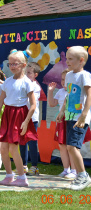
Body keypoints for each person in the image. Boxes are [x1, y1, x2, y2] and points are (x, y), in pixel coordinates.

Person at [0, 49, 38, 187]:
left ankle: (22, 177)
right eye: (10, 64)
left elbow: (33, 105)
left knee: (13, 148)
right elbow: (0, 101)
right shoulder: (7, 82)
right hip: (7, 114)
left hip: (19, 115)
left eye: (15, 64)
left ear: (24, 65)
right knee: (3, 149)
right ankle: (9, 175)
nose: (12, 66)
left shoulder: (27, 82)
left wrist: (26, 122)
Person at [56, 46, 91, 190]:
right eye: (67, 58)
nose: (67, 61)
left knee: (72, 146)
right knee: (71, 147)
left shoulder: (85, 75)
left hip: (80, 118)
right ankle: (80, 175)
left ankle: (83, 176)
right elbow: (68, 95)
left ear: (81, 60)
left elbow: (89, 95)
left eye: (70, 59)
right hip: (69, 116)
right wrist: (62, 111)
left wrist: (83, 115)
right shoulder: (69, 75)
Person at [20, 62, 41, 176]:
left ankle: (34, 167)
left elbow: (30, 101)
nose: (26, 74)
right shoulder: (22, 83)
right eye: (25, 72)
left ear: (35, 75)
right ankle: (23, 166)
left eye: (29, 73)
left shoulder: (35, 86)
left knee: (32, 143)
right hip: (22, 118)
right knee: (22, 142)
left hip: (32, 118)